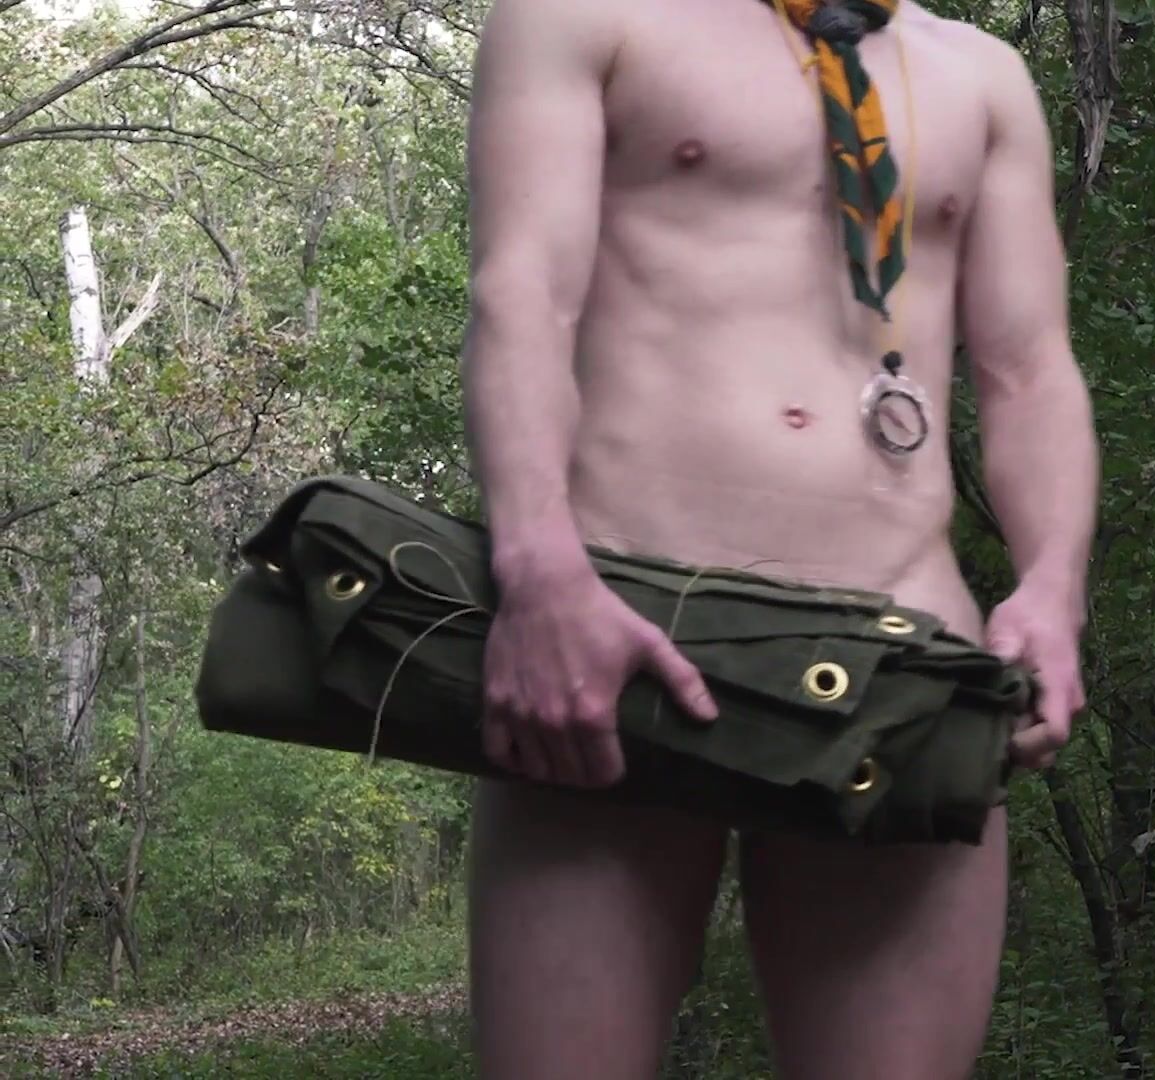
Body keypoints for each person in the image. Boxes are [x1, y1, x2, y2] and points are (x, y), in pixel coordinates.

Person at [455, 0, 1097, 1075]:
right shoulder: (585, 15)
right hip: (618, 631)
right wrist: (537, 567)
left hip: (903, 656)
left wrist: (1051, 590)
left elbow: (1030, 370)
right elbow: (523, 294)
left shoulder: (982, 77)